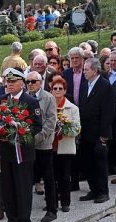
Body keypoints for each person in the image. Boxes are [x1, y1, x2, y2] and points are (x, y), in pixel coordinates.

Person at [0, 68, 43, 222]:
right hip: (7, 151)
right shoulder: (2, 100)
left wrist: (22, 131)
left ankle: (24, 221)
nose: (9, 84)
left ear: (22, 83)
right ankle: (12, 220)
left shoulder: (30, 101)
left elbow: (38, 125)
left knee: (22, 187)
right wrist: (1, 129)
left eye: (13, 81)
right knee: (8, 187)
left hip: (23, 151)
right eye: (7, 82)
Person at [79, 58, 115, 203]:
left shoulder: (105, 86)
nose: (84, 72)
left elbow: (109, 112)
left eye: (86, 70)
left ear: (94, 70)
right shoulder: (84, 86)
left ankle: (103, 192)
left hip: (99, 133)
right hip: (86, 132)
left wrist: (104, 136)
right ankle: (93, 190)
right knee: (87, 163)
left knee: (100, 164)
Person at [26, 71, 57, 222]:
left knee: (48, 178)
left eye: (33, 81)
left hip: (43, 144)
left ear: (40, 82)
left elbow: (51, 122)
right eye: (28, 82)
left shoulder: (48, 97)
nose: (30, 84)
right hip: (28, 145)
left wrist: (36, 138)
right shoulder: (25, 97)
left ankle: (52, 209)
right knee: (28, 178)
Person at [50, 75, 80, 212]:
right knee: (51, 177)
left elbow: (77, 129)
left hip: (65, 147)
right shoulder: (47, 108)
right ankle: (52, 202)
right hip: (49, 147)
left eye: (60, 88)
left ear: (64, 90)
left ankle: (65, 202)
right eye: (54, 88)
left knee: (64, 176)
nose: (57, 90)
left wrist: (63, 126)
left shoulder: (73, 108)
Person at [62, 47, 87, 192]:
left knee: (84, 148)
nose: (74, 61)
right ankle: (74, 180)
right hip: (70, 114)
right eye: (71, 58)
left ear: (82, 59)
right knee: (73, 149)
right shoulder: (66, 73)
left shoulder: (87, 72)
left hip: (85, 114)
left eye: (77, 58)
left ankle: (84, 174)